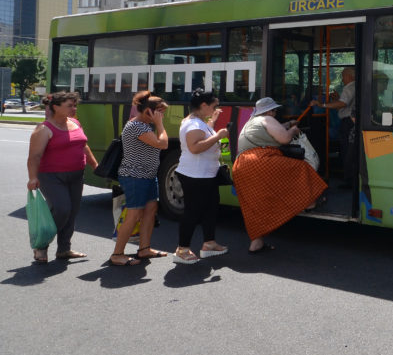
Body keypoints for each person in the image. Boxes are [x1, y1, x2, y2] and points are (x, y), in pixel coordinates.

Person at [233, 97, 327, 253]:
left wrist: (288, 125)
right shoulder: (267, 119)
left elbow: (273, 131)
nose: (276, 113)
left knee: (254, 205)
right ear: (269, 111)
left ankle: (256, 242)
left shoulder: (252, 122)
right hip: (259, 161)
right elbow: (284, 138)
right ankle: (310, 203)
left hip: (241, 166)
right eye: (275, 110)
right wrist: (293, 130)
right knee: (300, 168)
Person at [25, 92, 98, 263]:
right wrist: (32, 178)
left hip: (76, 175)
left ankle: (64, 249)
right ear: (56, 107)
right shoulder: (44, 129)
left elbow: (84, 146)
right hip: (51, 176)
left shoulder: (75, 123)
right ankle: (41, 245)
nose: (74, 109)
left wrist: (95, 165)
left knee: (72, 212)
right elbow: (34, 156)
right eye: (70, 106)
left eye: (75, 105)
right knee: (62, 209)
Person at [112, 91, 170, 266]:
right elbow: (163, 144)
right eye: (160, 113)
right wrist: (160, 125)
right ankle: (117, 254)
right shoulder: (137, 126)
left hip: (148, 175)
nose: (162, 116)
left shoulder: (145, 125)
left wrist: (157, 124)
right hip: (135, 176)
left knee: (151, 210)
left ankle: (144, 249)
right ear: (148, 112)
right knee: (134, 213)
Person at [173, 88, 230, 264]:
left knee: (210, 208)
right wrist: (218, 136)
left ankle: (209, 243)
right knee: (193, 211)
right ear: (204, 105)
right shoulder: (193, 124)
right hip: (195, 175)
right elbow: (195, 147)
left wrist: (212, 122)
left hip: (206, 174)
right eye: (214, 106)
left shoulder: (198, 121)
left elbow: (203, 134)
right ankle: (182, 250)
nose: (216, 109)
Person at [310, 67, 356, 183]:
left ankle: (348, 179)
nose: (342, 79)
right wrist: (337, 98)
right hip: (349, 121)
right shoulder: (354, 87)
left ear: (349, 76)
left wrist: (322, 105)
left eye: (343, 76)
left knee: (347, 150)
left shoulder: (350, 87)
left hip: (348, 122)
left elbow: (342, 103)